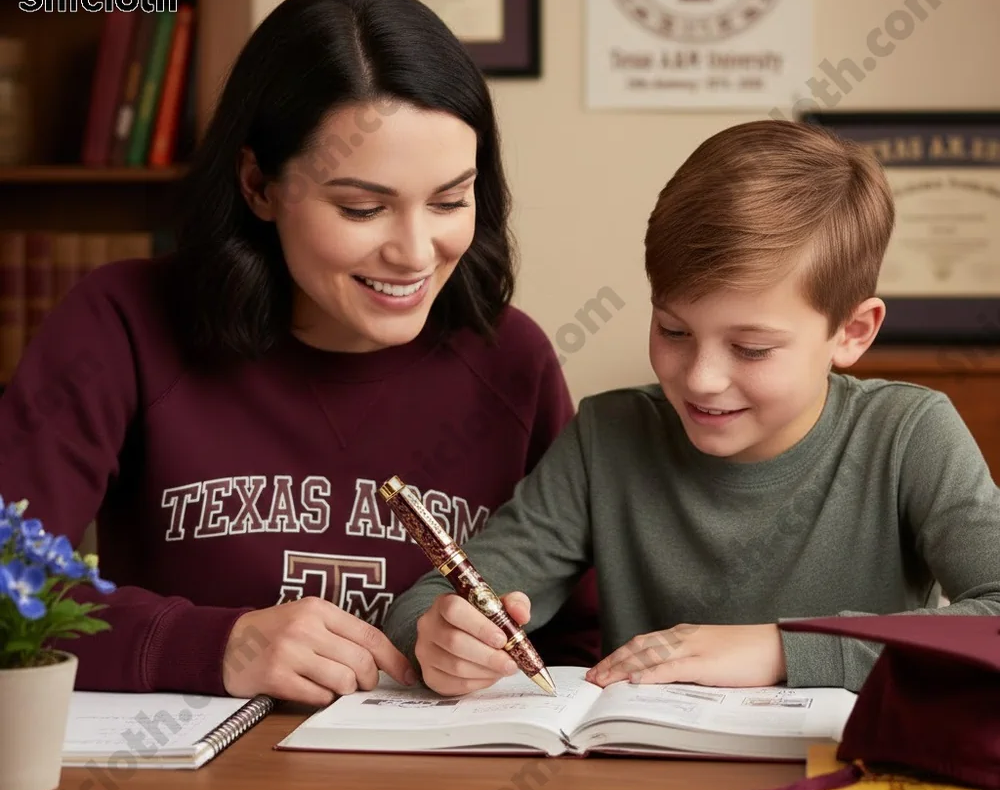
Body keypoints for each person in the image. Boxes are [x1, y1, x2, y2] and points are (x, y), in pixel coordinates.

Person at [0, 0, 600, 706]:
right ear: (258, 184)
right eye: (362, 207)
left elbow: (577, 643)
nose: (415, 252)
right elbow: (10, 595)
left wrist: (486, 654)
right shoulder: (122, 321)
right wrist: (214, 645)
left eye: (449, 201)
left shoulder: (515, 360)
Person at [382, 118, 1000, 698]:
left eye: (751, 348)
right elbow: (433, 599)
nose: (701, 380)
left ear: (852, 333)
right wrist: (440, 638)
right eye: (673, 331)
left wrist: (780, 650)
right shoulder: (608, 437)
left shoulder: (910, 434)